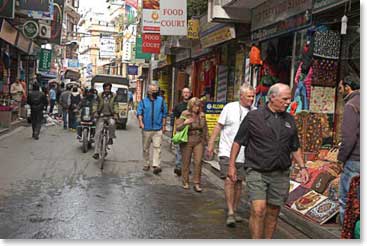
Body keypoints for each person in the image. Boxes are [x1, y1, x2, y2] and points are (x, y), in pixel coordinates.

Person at [228, 83, 309, 239]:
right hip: (257, 170)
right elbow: (238, 142)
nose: (288, 102)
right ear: (272, 97)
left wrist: (303, 167)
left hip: (280, 173)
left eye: (289, 99)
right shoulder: (253, 117)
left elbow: (295, 146)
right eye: (285, 99)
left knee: (273, 212)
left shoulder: (290, 120)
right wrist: (232, 166)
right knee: (258, 210)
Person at [207, 83, 256, 227]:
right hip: (227, 150)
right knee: (230, 180)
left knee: (239, 182)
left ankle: (234, 210)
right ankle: (230, 212)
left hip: (245, 153)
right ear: (241, 96)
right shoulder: (229, 108)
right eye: (249, 96)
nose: (252, 99)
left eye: (253, 96)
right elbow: (218, 126)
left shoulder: (255, 111)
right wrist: (211, 143)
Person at [337, 75, 360, 225]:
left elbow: (349, 138)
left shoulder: (351, 105)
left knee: (347, 198)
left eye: (340, 88)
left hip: (355, 159)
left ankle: (348, 233)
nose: (339, 92)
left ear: (347, 87)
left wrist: (341, 158)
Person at [175, 97, 208, 192]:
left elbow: (205, 129)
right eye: (195, 106)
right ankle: (185, 181)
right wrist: (185, 123)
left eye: (198, 106)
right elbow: (178, 128)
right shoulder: (185, 114)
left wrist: (208, 141)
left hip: (198, 140)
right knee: (186, 162)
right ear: (191, 105)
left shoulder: (202, 115)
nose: (197, 108)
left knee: (198, 162)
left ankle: (197, 183)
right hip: (187, 140)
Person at [137, 83, 168, 175]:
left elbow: (164, 114)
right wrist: (141, 123)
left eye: (156, 91)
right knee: (145, 148)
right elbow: (139, 113)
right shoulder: (143, 101)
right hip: (146, 128)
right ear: (148, 92)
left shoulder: (161, 101)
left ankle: (156, 165)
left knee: (157, 147)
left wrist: (164, 125)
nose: (154, 92)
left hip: (158, 128)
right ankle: (146, 163)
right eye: (152, 91)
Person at [92, 83, 118, 159]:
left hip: (110, 115)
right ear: (103, 89)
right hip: (101, 116)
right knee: (97, 133)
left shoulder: (114, 96)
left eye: (109, 89)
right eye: (106, 89)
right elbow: (95, 104)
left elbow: (116, 105)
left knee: (112, 123)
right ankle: (96, 152)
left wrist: (116, 113)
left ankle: (110, 138)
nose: (107, 90)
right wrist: (95, 112)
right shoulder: (99, 96)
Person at [172, 87, 192, 176]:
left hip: (191, 131)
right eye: (184, 92)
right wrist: (174, 130)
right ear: (182, 94)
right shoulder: (178, 106)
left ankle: (187, 167)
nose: (186, 94)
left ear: (190, 94)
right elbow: (174, 118)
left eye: (188, 92)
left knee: (189, 150)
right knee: (179, 150)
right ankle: (178, 167)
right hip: (181, 130)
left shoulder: (193, 105)